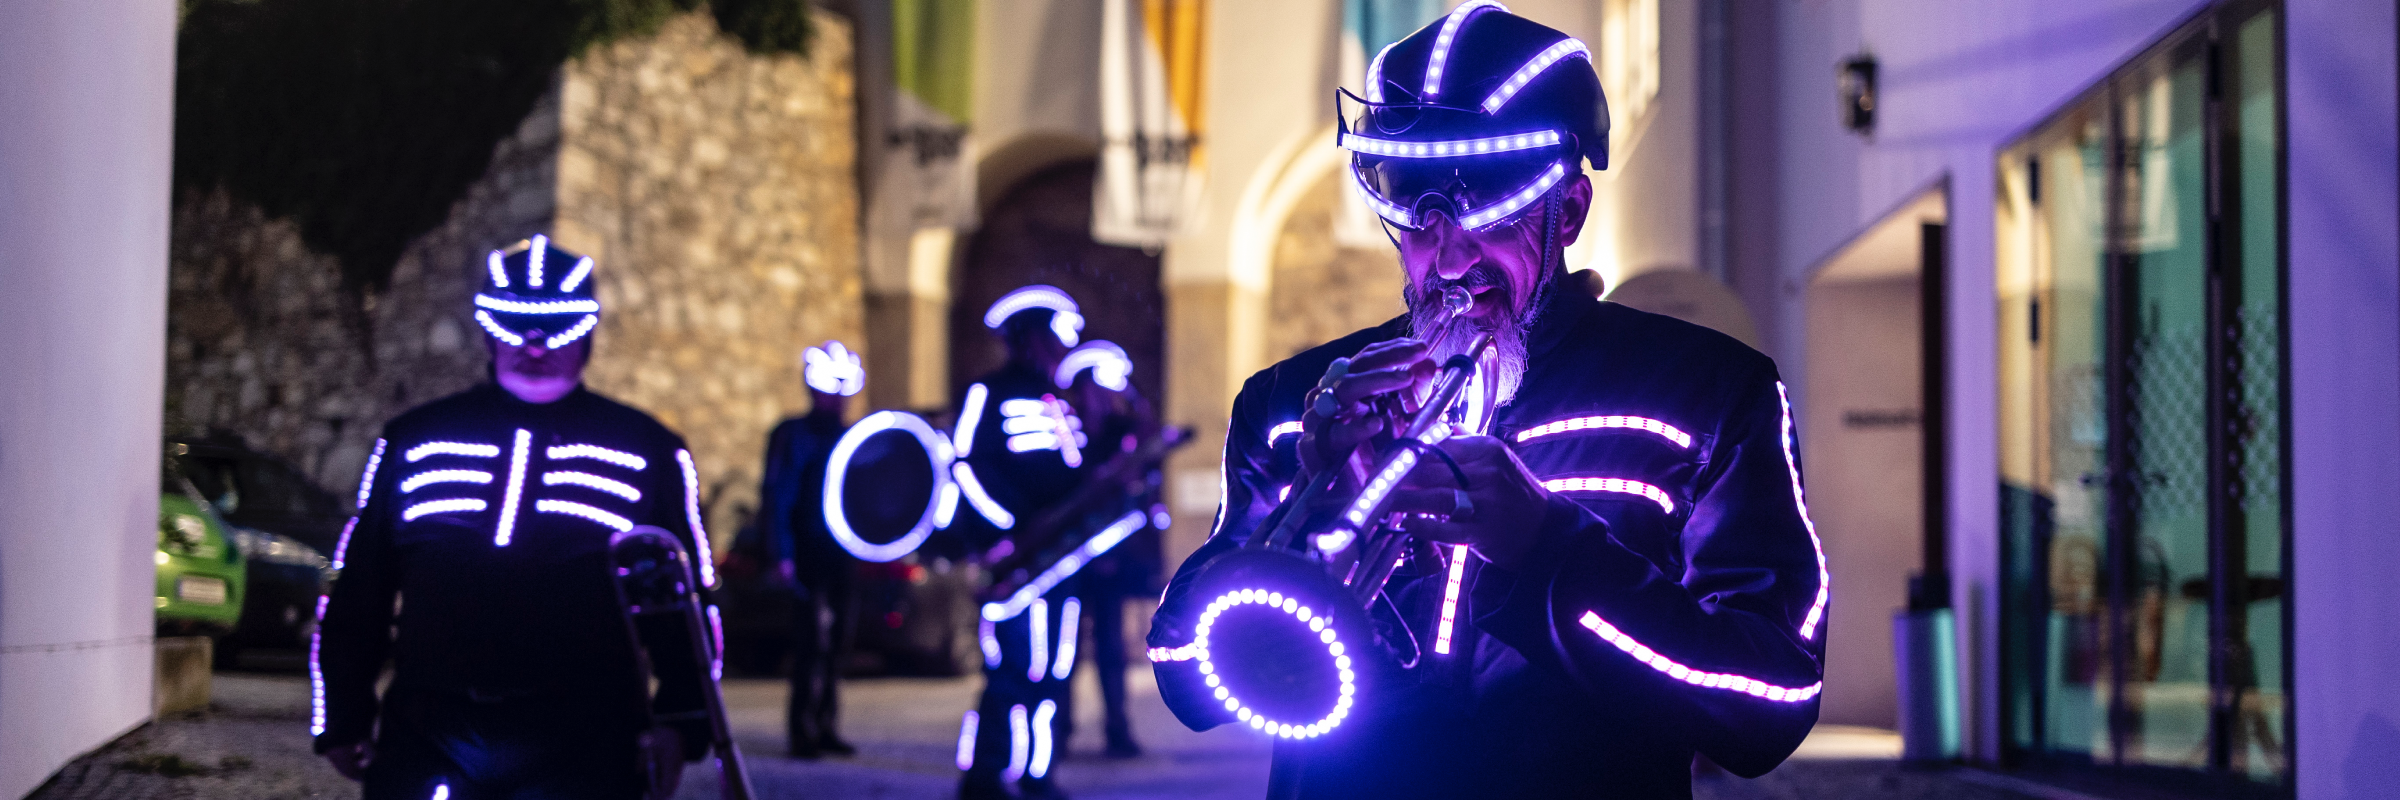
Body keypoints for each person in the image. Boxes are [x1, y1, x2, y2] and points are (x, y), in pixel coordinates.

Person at [1146, 7, 1828, 798]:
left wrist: (1546, 547)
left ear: (1566, 211)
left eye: (1492, 216)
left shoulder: (1709, 390)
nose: (1452, 257)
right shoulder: (1292, 402)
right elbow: (1186, 678)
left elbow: (1771, 702)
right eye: (1419, 222)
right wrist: (1309, 501)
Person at [314, 236, 719, 799]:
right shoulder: (413, 440)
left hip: (585, 737)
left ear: (588, 330)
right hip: (432, 727)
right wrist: (343, 712)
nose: (535, 343)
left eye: (557, 325)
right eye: (513, 323)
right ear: (485, 327)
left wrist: (683, 722)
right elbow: (360, 584)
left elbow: (685, 601)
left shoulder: (648, 450)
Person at [951, 286, 1096, 800]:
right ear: (1030, 338)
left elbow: (1073, 475)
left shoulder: (1058, 400)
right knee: (1013, 673)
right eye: (1056, 335)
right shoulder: (986, 393)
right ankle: (986, 775)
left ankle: (1037, 773)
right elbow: (965, 466)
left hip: (1061, 561)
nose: (1063, 347)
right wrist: (1008, 529)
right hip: (1015, 559)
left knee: (1055, 673)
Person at [1048, 341, 1163, 759]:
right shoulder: (1065, 426)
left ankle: (1118, 728)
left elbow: (1144, 465)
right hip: (1067, 557)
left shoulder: (1122, 429)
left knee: (1111, 648)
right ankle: (1059, 730)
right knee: (1066, 650)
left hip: (1111, 555)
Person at [757, 340, 866, 758]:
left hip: (842, 553)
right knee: (809, 645)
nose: (837, 398)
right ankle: (801, 730)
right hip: (806, 552)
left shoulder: (852, 436)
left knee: (838, 644)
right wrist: (781, 554)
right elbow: (778, 494)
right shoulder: (793, 434)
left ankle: (825, 726)